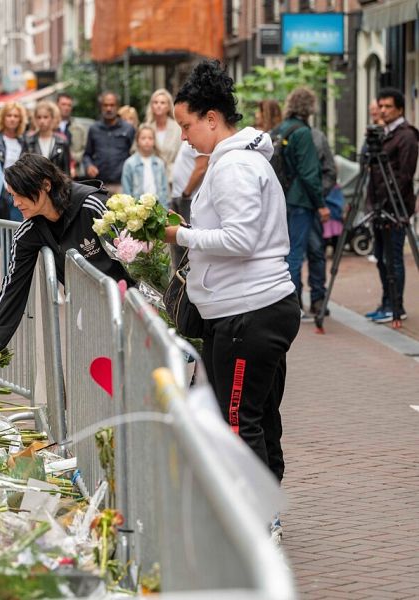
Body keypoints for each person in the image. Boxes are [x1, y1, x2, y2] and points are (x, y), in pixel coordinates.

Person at [165, 61, 300, 542]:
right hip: (247, 309)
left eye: (186, 125)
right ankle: (263, 510)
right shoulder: (236, 161)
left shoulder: (235, 166)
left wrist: (179, 233)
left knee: (239, 418)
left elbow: (240, 238)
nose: (183, 137)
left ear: (211, 118)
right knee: (256, 414)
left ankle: (261, 524)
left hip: (250, 312)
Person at [0, 153, 133, 369]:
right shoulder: (29, 231)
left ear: (46, 185)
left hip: (132, 308)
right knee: (101, 381)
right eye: (11, 195)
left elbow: (135, 256)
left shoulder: (93, 205)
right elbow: (13, 287)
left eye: (20, 195)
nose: (16, 203)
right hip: (89, 316)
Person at [271, 87, 328, 316]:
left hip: (281, 197)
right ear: (310, 107)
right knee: (296, 252)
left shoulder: (280, 129)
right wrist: (321, 204)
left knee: (284, 252)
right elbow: (309, 172)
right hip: (300, 200)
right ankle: (292, 305)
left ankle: (285, 301)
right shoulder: (303, 132)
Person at [364, 88, 419, 325]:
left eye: (387, 106)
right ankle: (386, 302)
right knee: (380, 256)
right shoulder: (383, 133)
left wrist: (388, 201)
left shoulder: (406, 136)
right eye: (381, 106)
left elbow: (404, 175)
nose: (383, 110)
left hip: (395, 207)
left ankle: (396, 306)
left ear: (399, 108)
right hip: (378, 205)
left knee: (392, 257)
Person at [304, 119, 338, 317]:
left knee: (316, 251)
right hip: (290, 208)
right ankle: (296, 301)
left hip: (313, 206)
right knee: (292, 256)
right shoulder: (281, 135)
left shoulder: (317, 137)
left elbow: (330, 171)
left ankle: (318, 299)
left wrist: (318, 195)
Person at [83, 92, 136, 193]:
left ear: (117, 106)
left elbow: (135, 155)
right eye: (105, 105)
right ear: (101, 107)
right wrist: (89, 166)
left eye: (112, 105)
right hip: (99, 185)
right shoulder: (94, 129)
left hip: (122, 184)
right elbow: (87, 155)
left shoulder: (128, 129)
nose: (108, 108)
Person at [0, 101, 29, 221]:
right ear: (3, 118)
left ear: (20, 120)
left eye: (16, 116)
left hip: (18, 193)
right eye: (9, 115)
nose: (12, 119)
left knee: (15, 231)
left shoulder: (24, 141)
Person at [168, 141, 208, 266]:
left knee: (187, 245)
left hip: (188, 198)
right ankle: (179, 279)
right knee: (177, 244)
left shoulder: (198, 138)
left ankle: (186, 279)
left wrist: (186, 192)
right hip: (179, 196)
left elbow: (201, 167)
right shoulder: (188, 139)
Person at [120, 124, 170, 207]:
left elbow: (164, 190)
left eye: (150, 138)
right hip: (138, 209)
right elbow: (126, 191)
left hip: (157, 208)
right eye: (143, 138)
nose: (147, 141)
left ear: (154, 141)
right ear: (137, 140)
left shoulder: (159, 163)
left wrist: (165, 209)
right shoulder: (129, 163)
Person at [26, 101, 71, 176]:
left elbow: (66, 171)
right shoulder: (28, 141)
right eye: (39, 117)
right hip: (34, 185)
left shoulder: (62, 142)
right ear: (35, 119)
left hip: (57, 184)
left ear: (52, 118)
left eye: (45, 117)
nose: (42, 121)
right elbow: (23, 169)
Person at [144, 88, 183, 175]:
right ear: (151, 106)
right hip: (150, 175)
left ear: (169, 106)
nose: (158, 105)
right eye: (155, 102)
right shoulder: (145, 128)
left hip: (173, 177)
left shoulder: (178, 129)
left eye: (162, 103)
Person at [57, 92, 88, 177]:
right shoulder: (50, 127)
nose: (66, 108)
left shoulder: (80, 128)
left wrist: (71, 157)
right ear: (57, 105)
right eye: (63, 104)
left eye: (69, 105)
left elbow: (85, 150)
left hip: (75, 174)